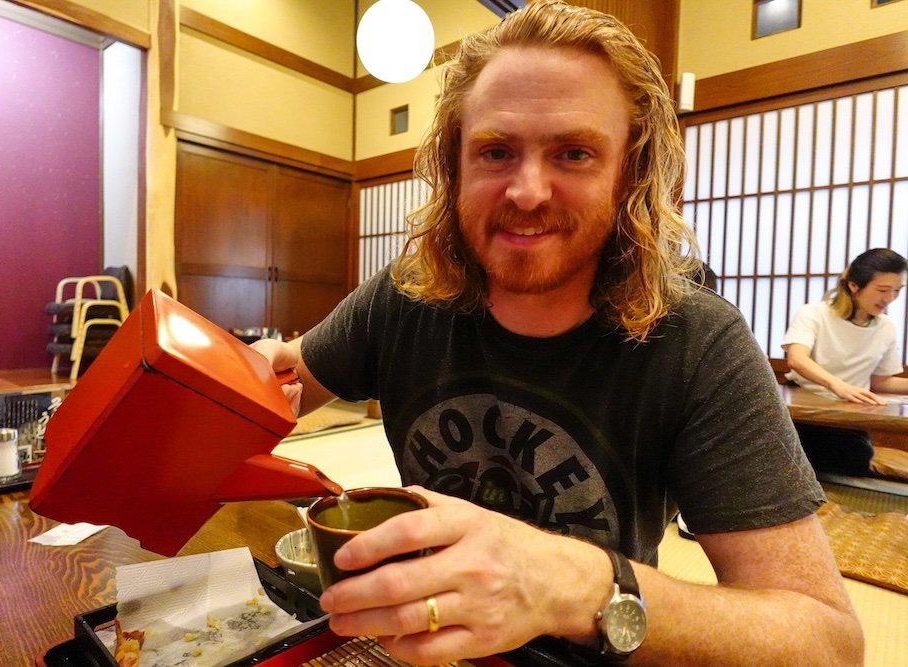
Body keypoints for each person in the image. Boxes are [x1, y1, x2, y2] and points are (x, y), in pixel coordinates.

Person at [253, 2, 863, 664]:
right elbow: (281, 379)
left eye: (573, 153)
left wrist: (576, 585)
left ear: (629, 172)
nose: (527, 190)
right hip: (416, 644)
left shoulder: (697, 342)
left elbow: (827, 641)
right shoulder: (406, 294)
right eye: (496, 151)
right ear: (455, 166)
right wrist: (232, 385)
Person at [782, 248, 908, 476]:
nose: (889, 298)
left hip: (848, 418)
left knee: (855, 459)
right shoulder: (814, 313)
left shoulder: (886, 327)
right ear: (854, 286)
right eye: (882, 290)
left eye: (897, 291)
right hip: (803, 415)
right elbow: (797, 359)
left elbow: (881, 383)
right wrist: (838, 385)